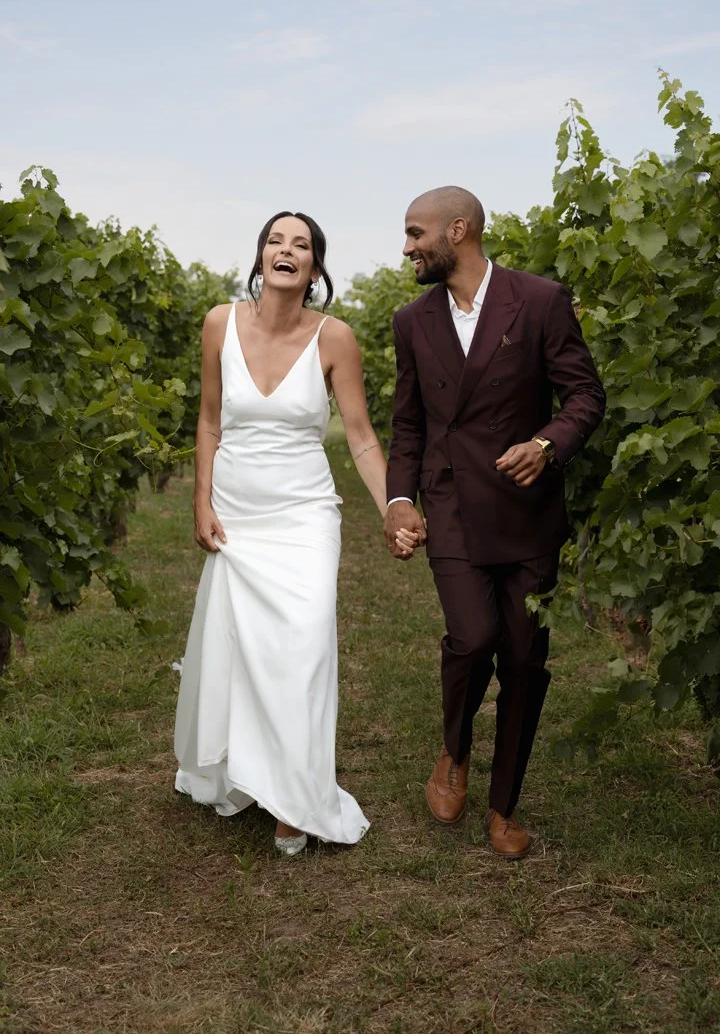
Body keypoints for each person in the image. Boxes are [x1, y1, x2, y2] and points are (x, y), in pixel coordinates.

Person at [174, 210, 418, 855]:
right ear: (260, 259)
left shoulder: (335, 338)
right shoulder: (219, 324)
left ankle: (297, 795)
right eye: (276, 241)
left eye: (301, 244)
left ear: (313, 268)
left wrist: (394, 502)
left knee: (304, 647)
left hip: (306, 513)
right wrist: (200, 501)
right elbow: (208, 422)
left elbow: (362, 438)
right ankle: (250, 774)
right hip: (238, 514)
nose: (287, 250)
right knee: (245, 651)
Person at [383, 186, 605, 859]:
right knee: (473, 636)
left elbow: (586, 395)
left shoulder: (538, 301)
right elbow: (409, 424)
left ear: (458, 230)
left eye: (416, 232)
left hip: (527, 510)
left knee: (526, 660)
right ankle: (455, 747)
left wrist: (546, 444)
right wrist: (399, 500)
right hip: (451, 504)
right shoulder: (410, 321)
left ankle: (503, 805)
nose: (407, 246)